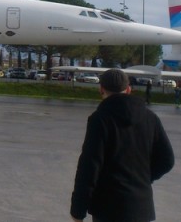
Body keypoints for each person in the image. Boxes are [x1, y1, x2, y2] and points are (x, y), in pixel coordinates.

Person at [70, 68, 174, 222]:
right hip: (141, 207)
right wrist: (144, 178)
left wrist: (78, 211)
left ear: (101, 90)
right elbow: (167, 160)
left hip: (108, 209)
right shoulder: (150, 118)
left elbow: (89, 167)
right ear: (129, 89)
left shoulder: (100, 119)